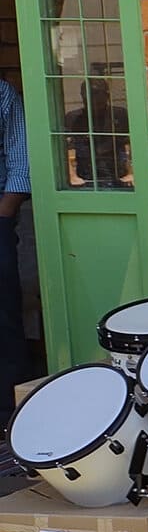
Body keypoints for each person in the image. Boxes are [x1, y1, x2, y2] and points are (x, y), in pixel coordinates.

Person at [0, 75, 29, 427]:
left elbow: (21, 157)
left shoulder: (1, 93)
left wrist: (4, 213)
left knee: (4, 314)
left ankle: (9, 412)